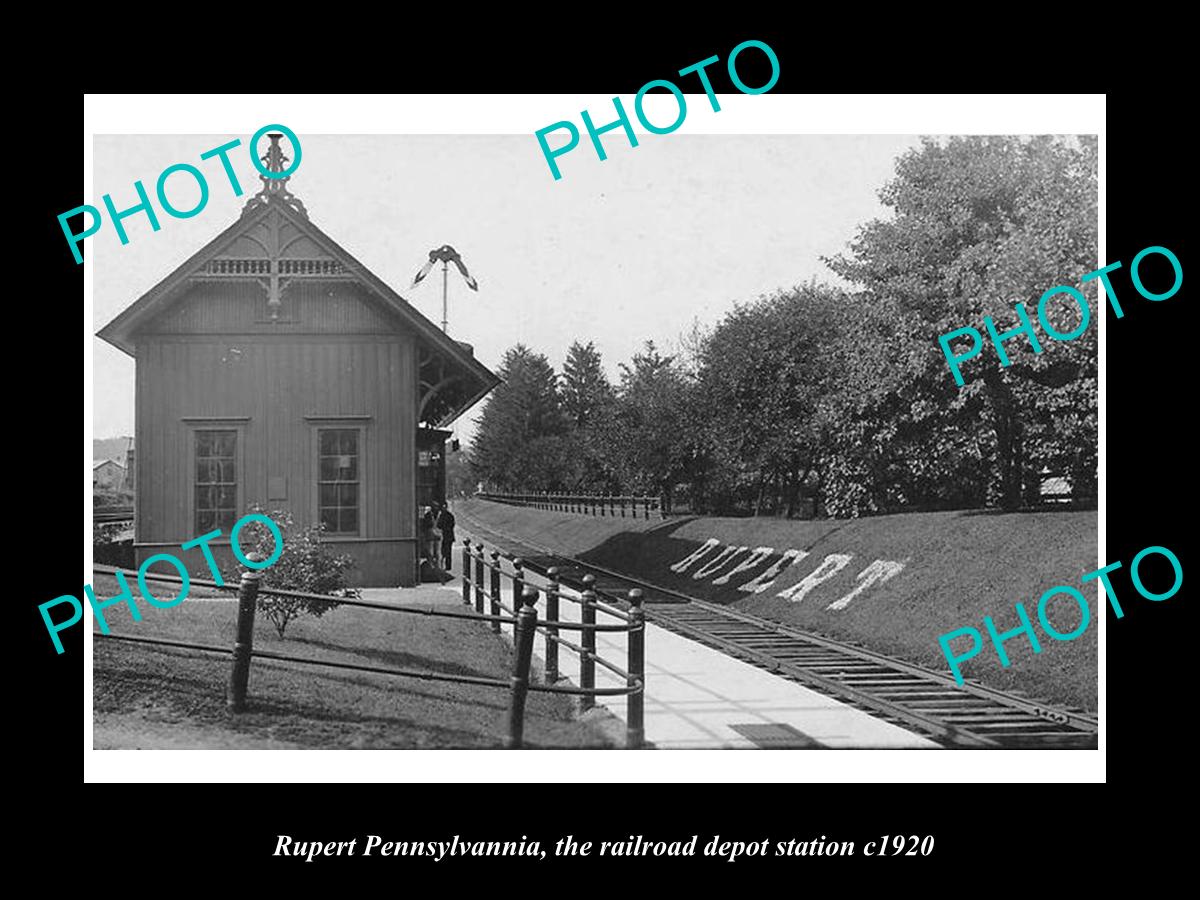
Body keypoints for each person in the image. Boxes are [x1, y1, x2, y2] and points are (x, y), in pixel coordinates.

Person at [436, 502, 457, 572]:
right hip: (449, 535)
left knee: (445, 551)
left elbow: (438, 525)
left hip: (445, 535)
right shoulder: (450, 515)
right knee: (447, 551)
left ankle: (446, 565)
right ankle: (447, 565)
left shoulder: (443, 515)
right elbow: (452, 524)